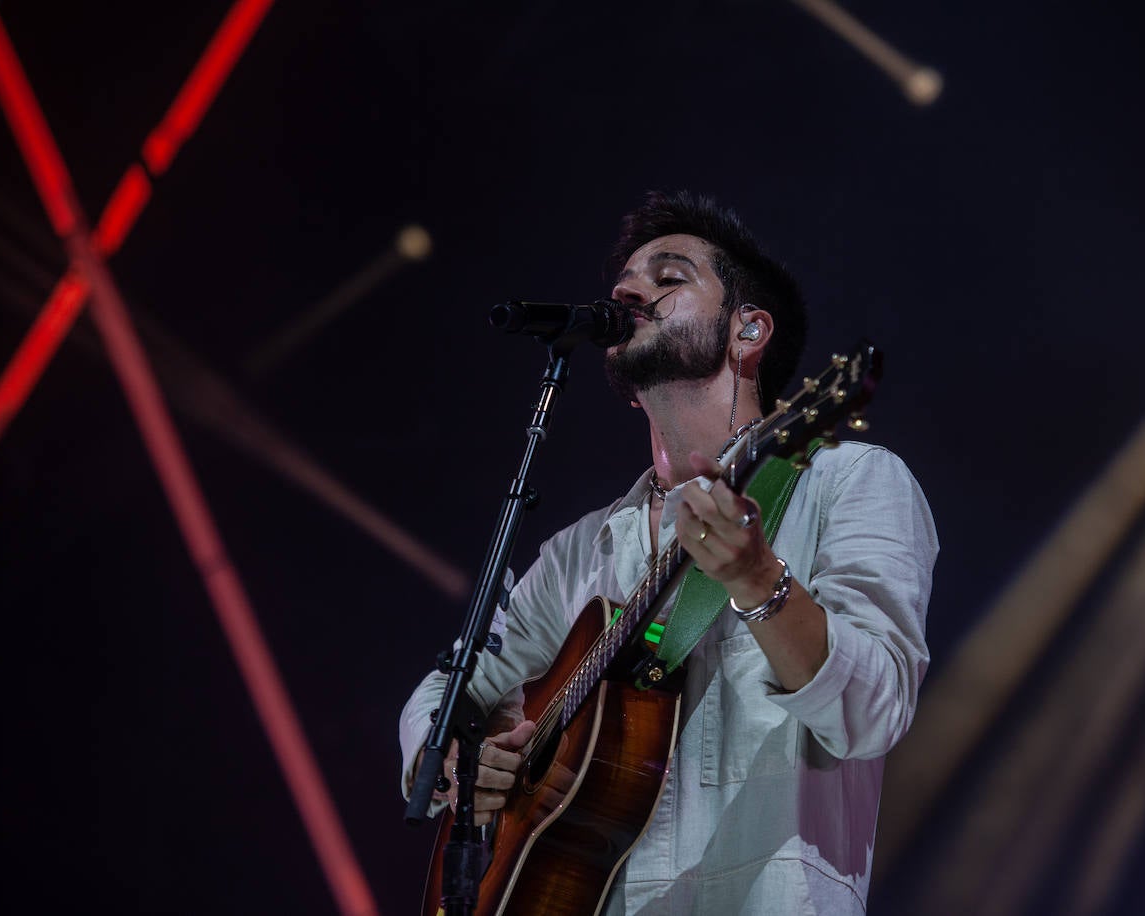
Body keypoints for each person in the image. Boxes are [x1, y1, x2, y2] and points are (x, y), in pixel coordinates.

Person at [400, 191, 938, 914]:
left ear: (748, 331)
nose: (627, 291)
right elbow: (446, 688)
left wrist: (758, 578)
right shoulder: (577, 554)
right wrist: (460, 765)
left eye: (669, 276)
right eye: (624, 283)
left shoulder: (850, 482)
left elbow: (874, 710)